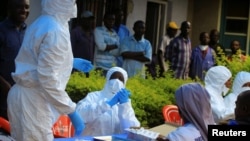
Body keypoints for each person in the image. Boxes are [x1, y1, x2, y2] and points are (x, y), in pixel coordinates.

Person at [7, 0, 87, 140]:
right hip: (33, 102)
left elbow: (35, 57)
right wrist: (71, 110)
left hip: (23, 96)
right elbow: (48, 79)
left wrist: (68, 62)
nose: (74, 5)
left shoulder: (42, 22)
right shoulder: (55, 29)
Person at [76, 67, 140, 136]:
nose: (117, 81)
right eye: (114, 77)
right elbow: (79, 116)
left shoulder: (124, 104)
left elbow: (132, 129)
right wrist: (107, 104)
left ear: (124, 84)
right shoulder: (93, 97)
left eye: (120, 79)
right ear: (107, 79)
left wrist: (125, 106)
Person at [0, 0, 29, 121]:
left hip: (23, 99)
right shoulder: (1, 30)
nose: (24, 10)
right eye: (19, 7)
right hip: (2, 99)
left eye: (26, 7)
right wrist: (5, 86)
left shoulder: (29, 32)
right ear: (10, 8)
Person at [94, 12, 120, 76]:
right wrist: (115, 46)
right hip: (99, 67)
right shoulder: (98, 30)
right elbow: (101, 47)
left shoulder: (115, 34)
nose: (111, 21)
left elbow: (117, 52)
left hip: (112, 67)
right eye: (109, 19)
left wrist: (107, 47)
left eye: (113, 20)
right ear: (104, 20)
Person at [70, 10, 96, 77]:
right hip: (77, 66)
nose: (90, 22)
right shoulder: (75, 32)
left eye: (91, 20)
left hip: (88, 66)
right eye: (87, 19)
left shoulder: (92, 33)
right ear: (82, 20)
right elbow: (70, 50)